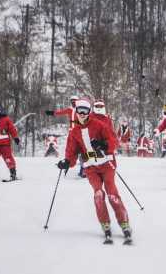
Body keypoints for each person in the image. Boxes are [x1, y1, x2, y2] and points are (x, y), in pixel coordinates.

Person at [56, 98, 131, 242]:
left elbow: (113, 142)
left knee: (112, 194)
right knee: (98, 194)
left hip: (106, 164)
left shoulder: (99, 125)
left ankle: (124, 223)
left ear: (89, 112)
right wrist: (67, 162)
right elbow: (71, 152)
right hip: (90, 167)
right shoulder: (74, 132)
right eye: (80, 111)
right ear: (76, 112)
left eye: (85, 111)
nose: (82, 114)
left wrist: (103, 145)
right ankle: (105, 225)